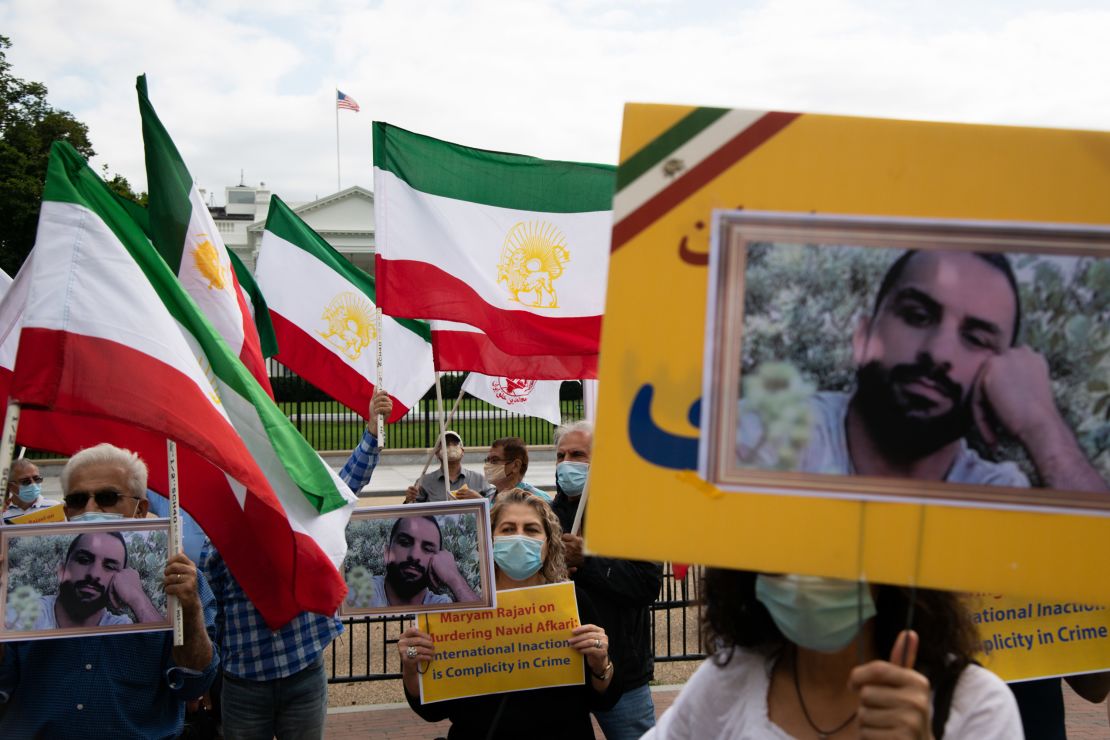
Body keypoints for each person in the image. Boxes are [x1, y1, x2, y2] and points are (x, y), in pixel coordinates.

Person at [742, 249, 1110, 733]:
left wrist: (1042, 424)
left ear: (998, 375)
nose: (938, 352)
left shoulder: (1008, 493)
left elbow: (1095, 683)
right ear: (863, 334)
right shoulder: (773, 446)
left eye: (977, 338)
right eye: (917, 315)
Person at [203, 388, 392, 740]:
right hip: (244, 684)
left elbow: (341, 489)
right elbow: (209, 614)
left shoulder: (298, 515)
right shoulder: (218, 538)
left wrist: (372, 434)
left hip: (303, 669)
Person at [0, 443, 217, 738]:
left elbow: (193, 682)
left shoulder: (181, 581)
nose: (90, 509)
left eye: (107, 498)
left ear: (141, 509)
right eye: (77, 500)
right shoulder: (20, 597)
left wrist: (187, 609)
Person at [647, 570, 1023, 738]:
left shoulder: (975, 705)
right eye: (783, 551)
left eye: (836, 552)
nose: (806, 577)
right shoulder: (730, 679)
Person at [398, 488, 621, 738]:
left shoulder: (574, 603)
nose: (519, 537)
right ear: (489, 539)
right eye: (507, 529)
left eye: (531, 529)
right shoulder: (454, 609)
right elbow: (433, 711)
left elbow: (605, 700)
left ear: (549, 543)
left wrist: (600, 664)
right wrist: (411, 666)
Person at [551, 420, 664, 740]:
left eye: (577, 455)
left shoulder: (630, 513)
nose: (566, 464)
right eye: (560, 456)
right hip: (561, 671)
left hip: (621, 670)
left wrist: (588, 562)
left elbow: (647, 584)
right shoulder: (546, 515)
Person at [4, 530, 161, 631]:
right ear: (62, 571)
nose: (94, 574)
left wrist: (137, 597)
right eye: (84, 560)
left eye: (109, 566)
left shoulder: (119, 627)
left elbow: (163, 657)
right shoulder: (23, 614)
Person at [363, 514, 479, 607]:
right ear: (387, 552)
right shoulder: (363, 592)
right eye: (405, 543)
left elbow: (481, 626)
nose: (414, 555)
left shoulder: (440, 605)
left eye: (428, 549)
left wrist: (454, 578)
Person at [404, 430, 493, 503]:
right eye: (445, 444)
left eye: (455, 443)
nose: (450, 447)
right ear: (437, 453)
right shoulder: (424, 481)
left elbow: (494, 507)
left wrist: (480, 499)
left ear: (462, 451)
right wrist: (408, 500)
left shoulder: (479, 479)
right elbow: (412, 514)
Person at [470, 436, 550, 503]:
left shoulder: (538, 500)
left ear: (515, 466)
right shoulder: (487, 497)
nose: (488, 465)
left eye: (494, 460)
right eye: (487, 460)